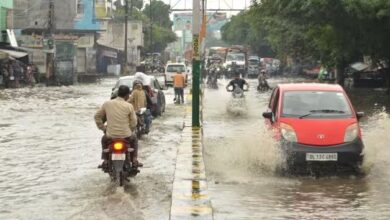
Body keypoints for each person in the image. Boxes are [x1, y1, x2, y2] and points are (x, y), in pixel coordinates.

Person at [94, 85, 142, 169]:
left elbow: (97, 117)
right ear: (127, 95)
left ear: (118, 93)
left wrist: (103, 128)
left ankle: (105, 160)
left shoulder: (107, 104)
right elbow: (134, 122)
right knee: (134, 139)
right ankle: (134, 160)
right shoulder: (129, 106)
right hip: (126, 135)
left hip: (110, 135)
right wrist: (129, 130)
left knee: (103, 139)